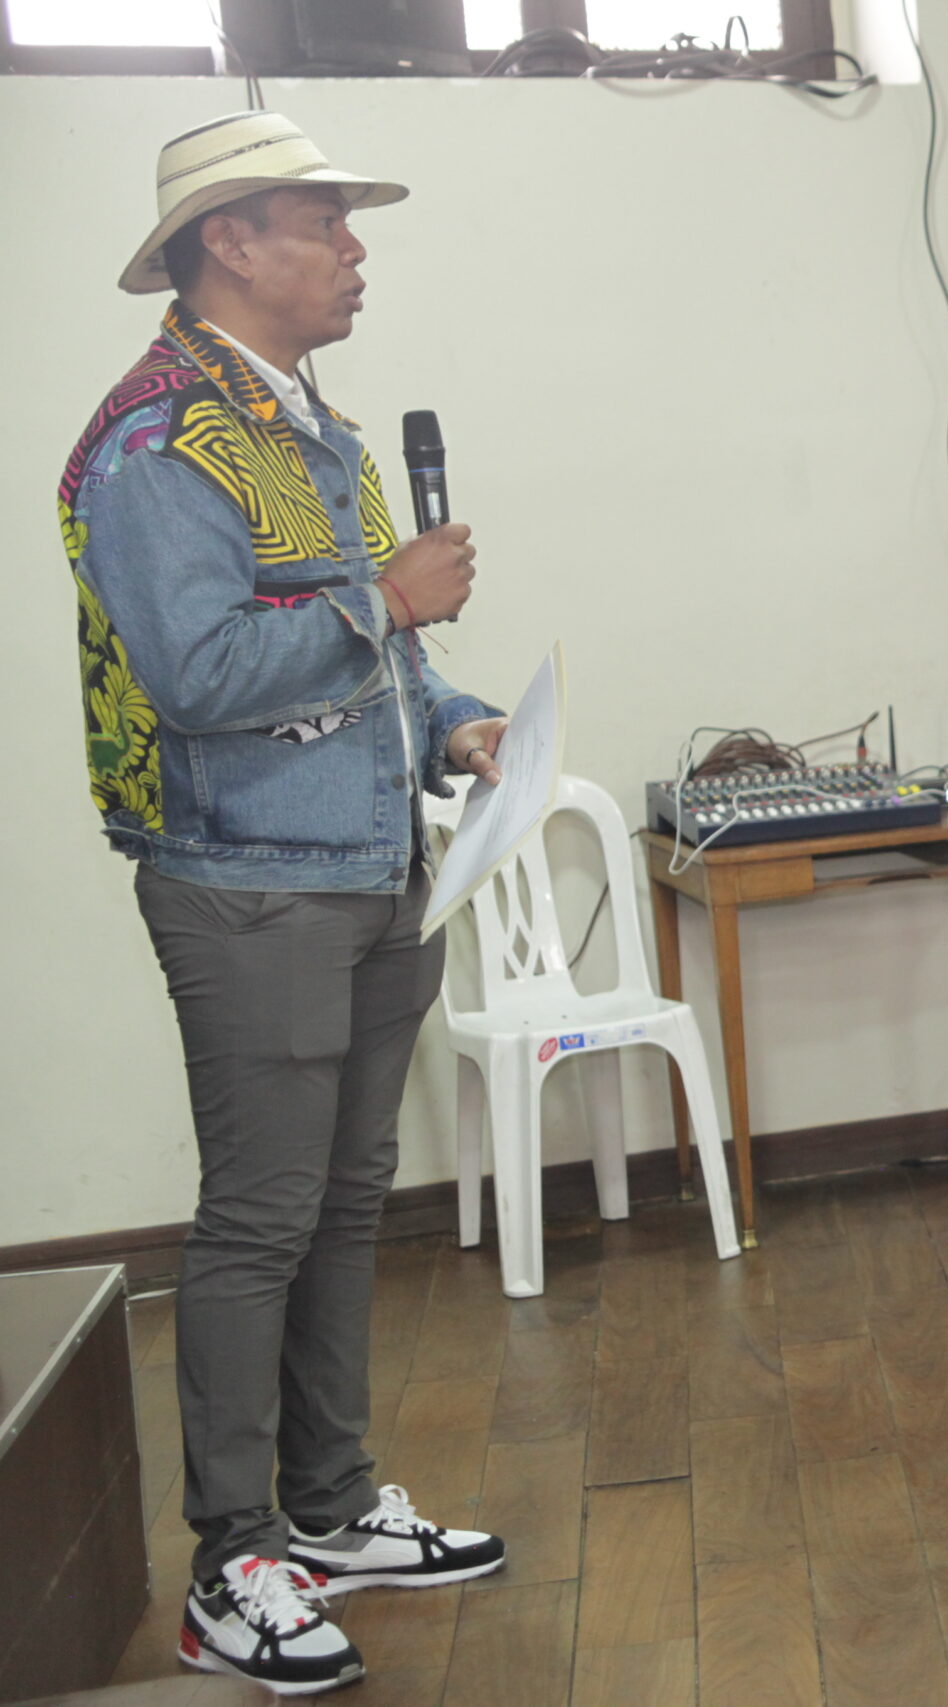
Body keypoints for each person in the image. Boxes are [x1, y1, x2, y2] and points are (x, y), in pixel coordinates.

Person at [60, 113, 507, 1694]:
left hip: (371, 867)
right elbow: (197, 674)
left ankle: (327, 1502)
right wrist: (387, 599)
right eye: (325, 223)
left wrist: (454, 716)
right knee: (260, 1214)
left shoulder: (314, 432)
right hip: (249, 881)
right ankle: (231, 1558)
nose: (355, 249)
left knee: (343, 1198)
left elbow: (375, 650)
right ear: (230, 242)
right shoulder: (158, 443)